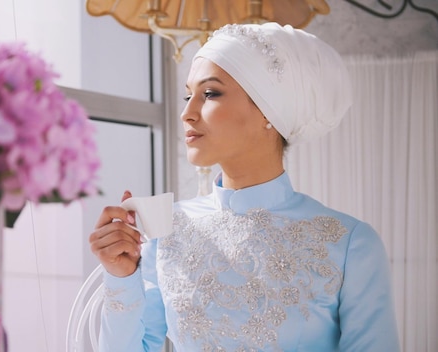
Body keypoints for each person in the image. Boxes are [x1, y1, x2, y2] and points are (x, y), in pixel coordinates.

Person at [88, 22, 400, 351]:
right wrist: (121, 276)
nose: (186, 113)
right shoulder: (168, 230)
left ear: (269, 110)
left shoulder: (351, 244)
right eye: (187, 95)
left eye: (209, 94)